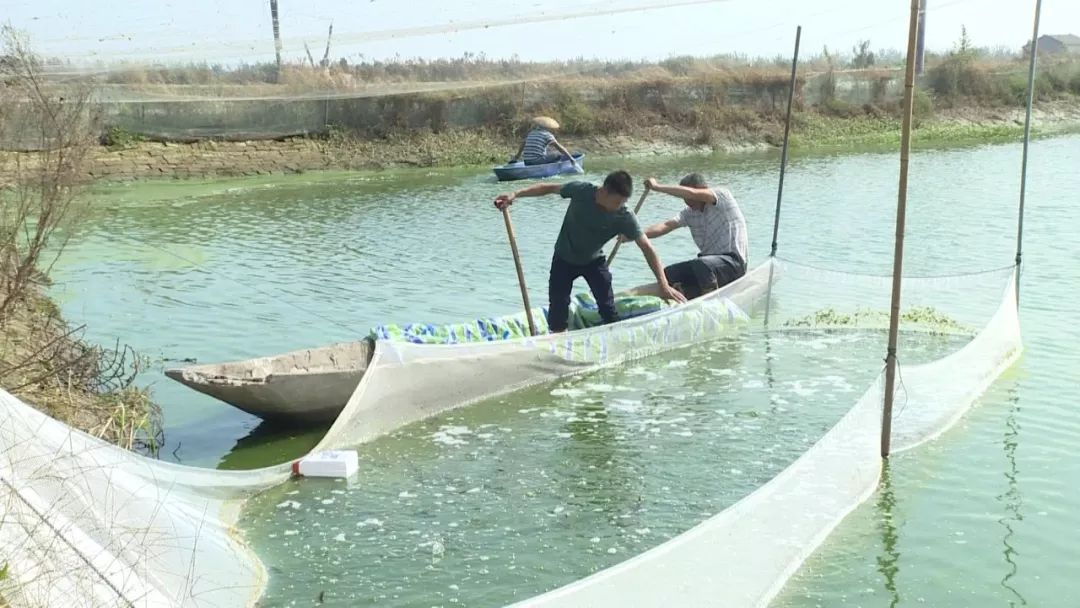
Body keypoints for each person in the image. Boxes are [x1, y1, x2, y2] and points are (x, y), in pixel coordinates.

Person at [494, 170, 686, 333]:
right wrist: (515, 194)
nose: (620, 206)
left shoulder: (624, 216)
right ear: (605, 191)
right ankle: (557, 342)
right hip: (564, 258)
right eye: (617, 202)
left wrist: (664, 285)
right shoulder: (582, 190)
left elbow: (648, 249)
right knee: (558, 310)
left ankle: (611, 337)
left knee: (608, 308)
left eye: (623, 202)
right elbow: (549, 188)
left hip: (594, 262)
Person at [621, 173, 748, 300]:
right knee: (668, 274)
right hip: (708, 266)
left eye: (687, 197)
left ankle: (710, 302)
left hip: (733, 264)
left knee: (701, 264)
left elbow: (692, 193)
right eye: (684, 198)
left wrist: (657, 187)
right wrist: (635, 234)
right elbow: (666, 225)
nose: (687, 201)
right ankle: (682, 298)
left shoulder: (722, 196)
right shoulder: (689, 213)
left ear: (703, 189)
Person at [510, 116, 581, 171]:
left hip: (527, 162)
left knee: (549, 152)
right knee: (558, 155)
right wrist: (571, 158)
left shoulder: (531, 133)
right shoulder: (547, 134)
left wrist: (516, 157)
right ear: (548, 128)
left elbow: (523, 144)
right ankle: (554, 169)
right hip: (537, 161)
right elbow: (559, 148)